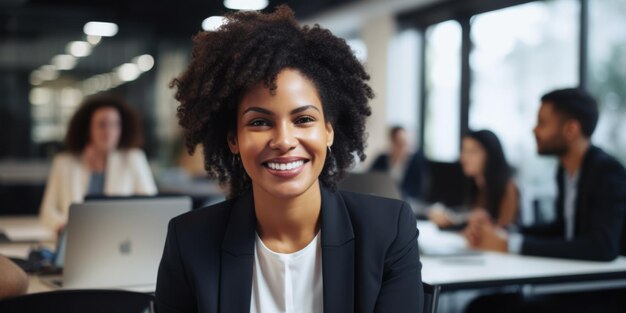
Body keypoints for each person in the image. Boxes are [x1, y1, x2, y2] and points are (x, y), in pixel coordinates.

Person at [156, 6, 423, 313]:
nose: (283, 140)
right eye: (259, 122)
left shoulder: (388, 230)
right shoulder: (189, 240)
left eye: (304, 119)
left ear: (328, 131)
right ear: (233, 139)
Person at [468, 88, 626, 261]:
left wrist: (511, 244)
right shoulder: (565, 171)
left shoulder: (606, 172)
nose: (534, 130)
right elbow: (563, 229)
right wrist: (506, 232)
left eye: (542, 123)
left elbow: (602, 247)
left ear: (571, 129)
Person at [39, 94, 157, 232]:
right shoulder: (64, 163)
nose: (109, 131)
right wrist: (62, 227)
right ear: (89, 129)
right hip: (77, 241)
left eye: (115, 125)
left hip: (121, 241)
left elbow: (151, 207)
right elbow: (47, 212)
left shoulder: (134, 159)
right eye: (102, 125)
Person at [428, 130, 519, 229]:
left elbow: (503, 232)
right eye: (463, 150)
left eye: (472, 152)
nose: (463, 157)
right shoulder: (478, 186)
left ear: (490, 154)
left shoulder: (508, 188)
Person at [370, 126, 425, 200]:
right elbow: (371, 179)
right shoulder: (381, 159)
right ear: (392, 142)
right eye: (398, 142)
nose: (402, 146)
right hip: (383, 198)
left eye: (404, 142)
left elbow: (418, 190)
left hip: (405, 201)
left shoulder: (415, 163)